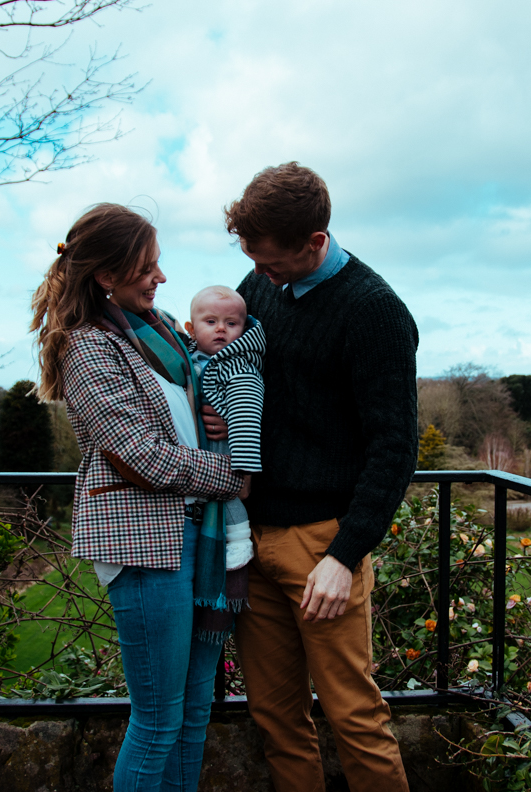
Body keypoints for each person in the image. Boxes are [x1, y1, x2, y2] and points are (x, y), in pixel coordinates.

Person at [30, 203, 246, 792]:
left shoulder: (167, 329)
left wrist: (226, 422)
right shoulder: (87, 347)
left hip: (202, 537)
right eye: (148, 266)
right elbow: (139, 454)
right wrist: (236, 477)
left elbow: (198, 407)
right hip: (144, 541)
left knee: (194, 713)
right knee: (156, 722)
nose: (161, 277)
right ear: (106, 276)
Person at [224, 162, 419, 791]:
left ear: (315, 241)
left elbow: (393, 449)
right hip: (251, 540)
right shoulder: (259, 286)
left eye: (271, 260)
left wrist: (345, 553)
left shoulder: (375, 312)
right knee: (276, 718)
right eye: (251, 257)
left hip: (320, 548)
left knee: (354, 717)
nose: (259, 271)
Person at [184, 285, 266, 580]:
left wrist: (244, 471)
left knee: (227, 493)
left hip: (228, 450)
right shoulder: (191, 358)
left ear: (243, 328)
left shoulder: (238, 367)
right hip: (199, 451)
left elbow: (247, 417)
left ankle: (240, 540)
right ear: (191, 329)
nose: (221, 329)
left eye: (231, 324)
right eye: (211, 322)